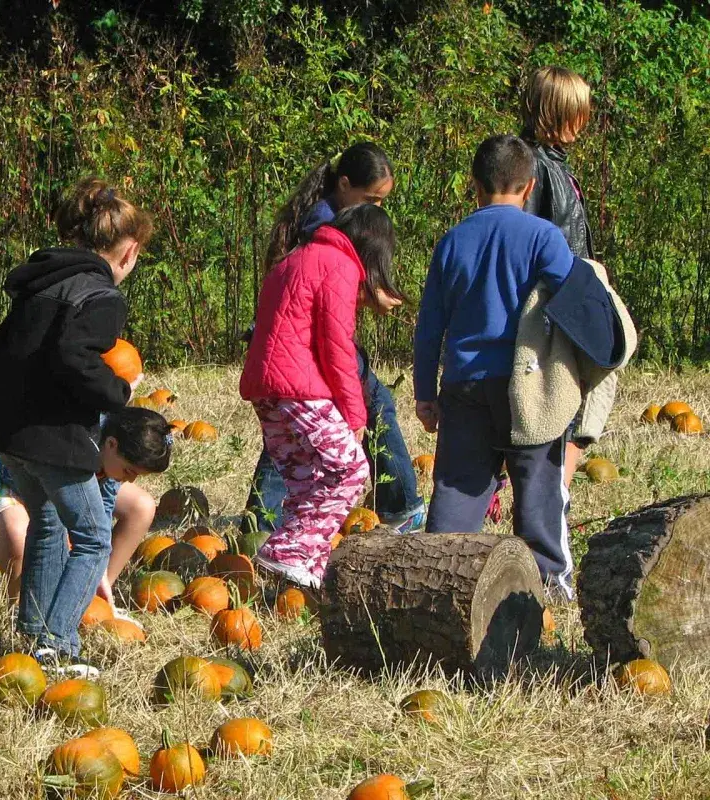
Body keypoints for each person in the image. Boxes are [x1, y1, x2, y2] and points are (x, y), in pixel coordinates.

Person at [0, 177, 153, 674]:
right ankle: (58, 643)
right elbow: (72, 356)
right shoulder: (102, 296)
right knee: (95, 535)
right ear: (129, 251)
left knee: (50, 523)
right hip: (54, 437)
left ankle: (33, 633)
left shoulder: (41, 283)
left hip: (9, 434)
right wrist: (118, 390)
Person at [413, 134, 575, 597]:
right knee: (537, 487)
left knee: (458, 493)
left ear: (474, 186)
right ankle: (546, 585)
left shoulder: (452, 241)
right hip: (527, 387)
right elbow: (572, 303)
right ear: (529, 187)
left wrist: (426, 392)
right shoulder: (544, 236)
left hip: (465, 383)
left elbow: (430, 328)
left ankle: (440, 584)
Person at [243, 142, 425, 535]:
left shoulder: (328, 217)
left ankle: (263, 520)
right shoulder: (326, 227)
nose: (376, 209)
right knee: (365, 407)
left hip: (292, 350)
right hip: (306, 347)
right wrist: (370, 292)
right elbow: (328, 297)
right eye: (372, 199)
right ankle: (399, 507)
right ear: (345, 184)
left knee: (291, 435)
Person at [240, 203, 402, 589]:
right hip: (299, 387)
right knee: (351, 469)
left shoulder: (297, 258)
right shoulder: (340, 265)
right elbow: (337, 348)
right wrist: (355, 415)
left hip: (266, 388)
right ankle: (288, 552)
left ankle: (304, 573)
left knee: (305, 483)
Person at [0, 407, 172, 607]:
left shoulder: (115, 447)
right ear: (111, 444)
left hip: (72, 479)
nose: (130, 479)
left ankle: (94, 596)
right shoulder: (75, 440)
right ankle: (17, 606)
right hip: (8, 474)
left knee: (141, 507)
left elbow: (100, 510)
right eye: (129, 471)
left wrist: (98, 567)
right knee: (18, 536)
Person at [520, 65, 600, 488]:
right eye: (579, 112)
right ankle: (554, 491)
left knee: (591, 385)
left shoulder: (555, 163)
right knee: (564, 396)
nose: (585, 121)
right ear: (558, 113)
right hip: (554, 305)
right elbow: (530, 242)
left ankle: (557, 488)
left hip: (571, 297)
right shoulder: (532, 165)